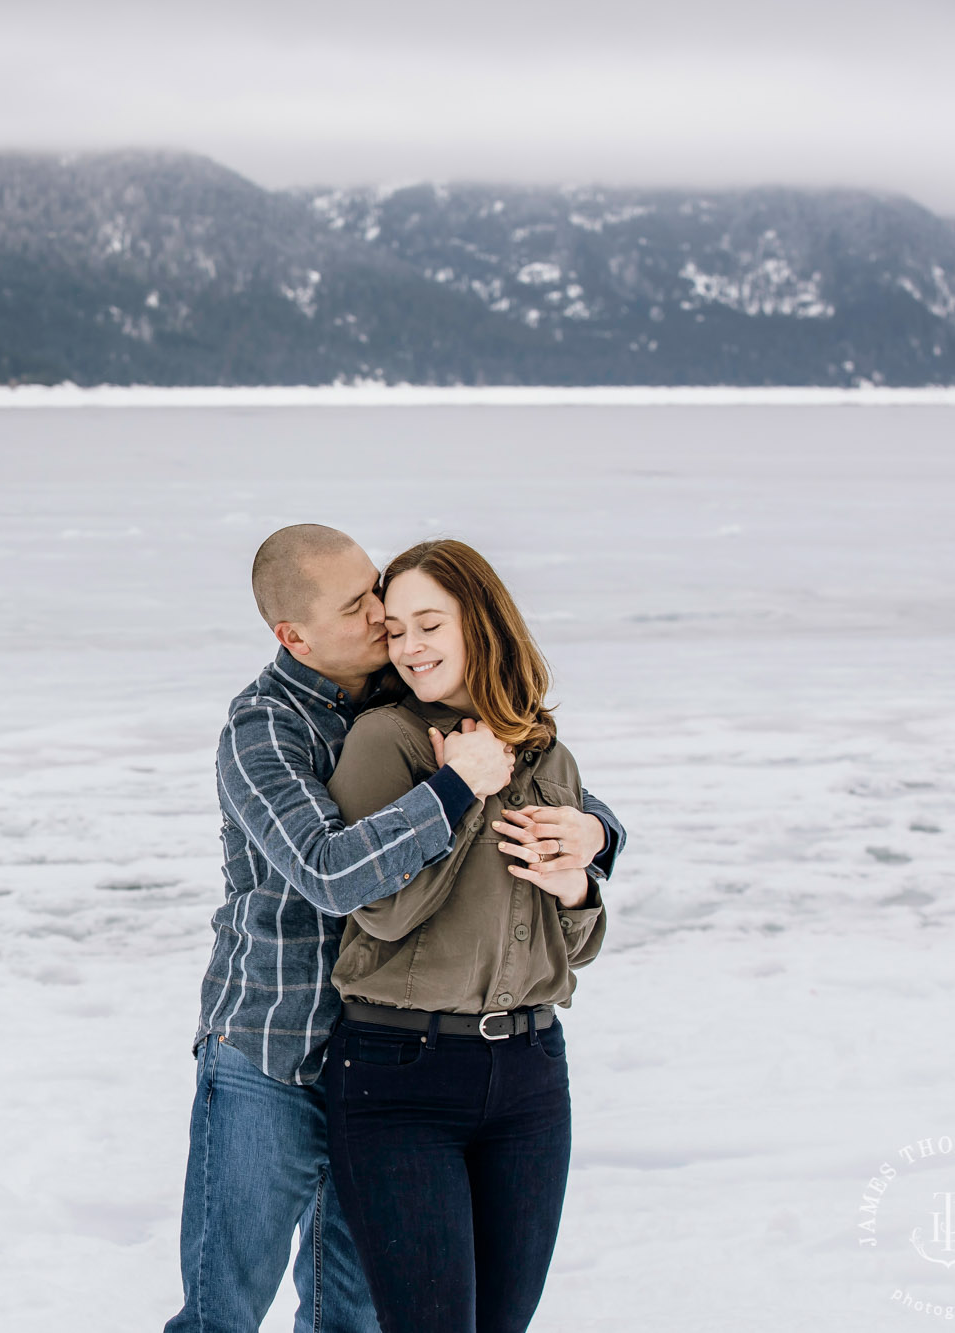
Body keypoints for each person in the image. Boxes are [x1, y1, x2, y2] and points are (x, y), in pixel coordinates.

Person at [167, 526, 626, 1333]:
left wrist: (597, 833)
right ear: (293, 636)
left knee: (350, 1316)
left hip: (370, 1054)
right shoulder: (264, 730)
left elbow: (528, 765)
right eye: (359, 605)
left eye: (377, 587)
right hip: (268, 1049)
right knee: (221, 1313)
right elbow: (333, 874)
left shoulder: (396, 689)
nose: (385, 617)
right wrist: (452, 789)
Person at [321, 537, 606, 1333]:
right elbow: (381, 909)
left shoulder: (548, 755)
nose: (409, 647)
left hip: (531, 1076)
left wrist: (576, 883)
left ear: (480, 624)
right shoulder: (389, 740)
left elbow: (576, 946)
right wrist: (460, 793)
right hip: (399, 1077)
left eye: (430, 624)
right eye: (397, 630)